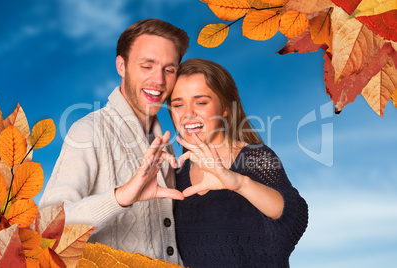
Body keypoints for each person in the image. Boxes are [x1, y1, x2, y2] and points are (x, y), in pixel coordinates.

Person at [39, 19, 189, 264]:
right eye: (147, 65)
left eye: (169, 69)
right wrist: (120, 197)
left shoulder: (164, 144)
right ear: (122, 65)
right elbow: (48, 228)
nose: (159, 80)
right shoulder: (88, 132)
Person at [168, 58, 309, 268]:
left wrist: (239, 183)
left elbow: (293, 215)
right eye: (178, 104)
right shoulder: (177, 177)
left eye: (201, 102)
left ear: (225, 108)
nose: (188, 113)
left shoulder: (254, 157)